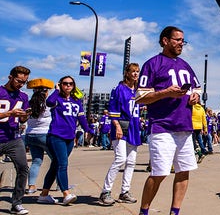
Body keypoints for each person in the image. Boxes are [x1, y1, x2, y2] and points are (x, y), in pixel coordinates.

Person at [136, 26, 202, 215]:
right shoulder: (153, 64)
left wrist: (195, 96)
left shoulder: (185, 65)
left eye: (183, 40)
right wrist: (165, 93)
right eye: (177, 40)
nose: (181, 43)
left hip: (184, 126)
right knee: (160, 173)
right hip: (162, 126)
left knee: (184, 170)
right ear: (165, 41)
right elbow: (141, 98)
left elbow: (197, 88)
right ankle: (144, 211)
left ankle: (175, 211)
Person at [38, 75, 96, 205]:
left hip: (70, 137)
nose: (68, 86)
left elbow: (81, 118)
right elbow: (49, 103)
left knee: (56, 165)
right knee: (63, 164)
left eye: (70, 83)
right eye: (65, 83)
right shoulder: (56, 98)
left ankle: (43, 194)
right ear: (60, 85)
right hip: (56, 136)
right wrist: (56, 90)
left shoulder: (77, 101)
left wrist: (88, 130)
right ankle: (66, 193)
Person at [99, 63, 142, 205]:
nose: (135, 74)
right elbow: (113, 109)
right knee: (120, 159)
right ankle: (105, 191)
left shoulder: (137, 90)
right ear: (126, 73)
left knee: (131, 162)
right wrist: (116, 126)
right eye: (133, 71)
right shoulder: (119, 89)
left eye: (137, 71)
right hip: (122, 126)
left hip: (134, 127)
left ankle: (125, 191)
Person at [0, 66, 32, 214]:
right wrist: (9, 113)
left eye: (24, 82)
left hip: (13, 138)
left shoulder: (23, 97)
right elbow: (9, 114)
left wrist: (25, 115)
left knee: (23, 168)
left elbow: (23, 119)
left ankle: (16, 203)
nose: (20, 84)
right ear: (10, 77)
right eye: (19, 81)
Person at [24, 78, 54, 196]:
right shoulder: (48, 104)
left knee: (36, 161)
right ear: (46, 92)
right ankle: (58, 184)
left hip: (30, 134)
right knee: (56, 161)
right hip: (44, 134)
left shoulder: (29, 103)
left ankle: (31, 186)